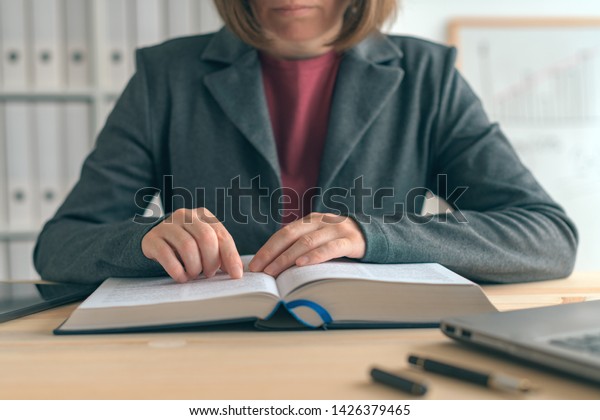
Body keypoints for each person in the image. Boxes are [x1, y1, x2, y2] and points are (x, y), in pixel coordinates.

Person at [34, 0, 577, 286]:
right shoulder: (165, 76)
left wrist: (374, 237)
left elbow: (546, 237)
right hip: (210, 348)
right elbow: (59, 245)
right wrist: (146, 240)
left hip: (379, 349)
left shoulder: (427, 76)